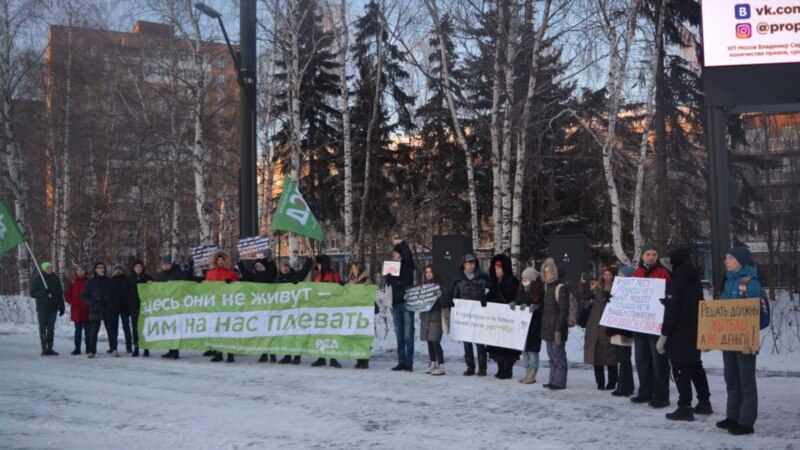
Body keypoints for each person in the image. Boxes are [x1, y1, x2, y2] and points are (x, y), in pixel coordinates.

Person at [658, 247, 712, 422]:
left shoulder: (677, 279)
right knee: (695, 365)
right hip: (694, 328)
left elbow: (674, 311)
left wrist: (664, 335)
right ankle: (704, 401)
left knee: (680, 368)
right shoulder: (693, 277)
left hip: (679, 332)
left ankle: (684, 406)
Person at [716, 247, 761, 435]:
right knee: (731, 379)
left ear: (741, 261)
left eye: (730, 258)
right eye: (726, 258)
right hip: (729, 340)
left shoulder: (750, 283)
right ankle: (733, 416)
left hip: (745, 342)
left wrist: (751, 339)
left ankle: (746, 422)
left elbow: (754, 314)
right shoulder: (727, 281)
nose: (726, 261)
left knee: (746, 382)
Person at [630, 243, 672, 408]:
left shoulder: (664, 273)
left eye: (654, 254)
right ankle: (645, 391)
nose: (651, 257)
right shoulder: (637, 273)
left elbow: (670, 295)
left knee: (658, 360)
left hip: (656, 324)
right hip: (640, 324)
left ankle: (661, 395)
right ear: (642, 256)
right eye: (648, 254)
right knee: (641, 359)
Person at [447, 253, 491, 376]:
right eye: (470, 263)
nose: (472, 265)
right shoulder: (459, 280)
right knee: (467, 343)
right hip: (465, 318)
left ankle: (482, 368)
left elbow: (492, 292)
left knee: (480, 343)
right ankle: (470, 367)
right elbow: (454, 297)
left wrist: (485, 299)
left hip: (479, 316)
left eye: (474, 263)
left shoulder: (482, 278)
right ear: (464, 264)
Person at [582, 269, 619, 391]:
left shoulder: (617, 288)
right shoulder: (598, 287)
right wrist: (583, 284)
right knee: (596, 356)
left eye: (610, 274)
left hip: (609, 325)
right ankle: (600, 381)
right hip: (595, 325)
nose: (607, 277)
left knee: (610, 355)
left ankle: (612, 381)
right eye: (605, 274)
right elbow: (586, 295)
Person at [238, 252, 279, 363]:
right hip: (259, 309)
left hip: (270, 308)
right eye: (256, 267)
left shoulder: (270, 276)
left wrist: (270, 261)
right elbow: (246, 275)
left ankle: (273, 354)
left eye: (261, 266)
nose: (259, 268)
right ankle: (264, 354)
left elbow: (274, 272)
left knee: (270, 332)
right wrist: (240, 263)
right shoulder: (254, 277)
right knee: (262, 332)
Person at [486, 254, 521, 380]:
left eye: (499, 269)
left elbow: (515, 297)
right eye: (495, 269)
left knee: (508, 346)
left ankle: (508, 369)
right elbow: (490, 295)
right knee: (497, 345)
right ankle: (501, 369)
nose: (496, 271)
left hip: (508, 321)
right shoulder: (495, 283)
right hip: (497, 319)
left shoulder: (511, 281)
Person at [275, 255, 314, 365]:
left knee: (297, 334)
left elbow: (305, 270)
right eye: (283, 267)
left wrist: (309, 260)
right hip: (285, 312)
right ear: (280, 268)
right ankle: (287, 356)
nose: (285, 269)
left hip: (297, 311)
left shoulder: (296, 276)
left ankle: (297, 356)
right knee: (286, 334)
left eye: (286, 266)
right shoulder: (278, 280)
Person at [386, 239, 415, 372]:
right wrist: (388, 277)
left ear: (401, 254)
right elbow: (388, 283)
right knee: (399, 334)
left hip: (407, 303)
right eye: (393, 253)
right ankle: (401, 360)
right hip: (396, 303)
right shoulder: (392, 266)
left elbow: (408, 255)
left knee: (409, 334)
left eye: (396, 253)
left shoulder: (407, 265)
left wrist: (402, 242)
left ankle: (409, 362)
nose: (394, 255)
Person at [540, 257, 569, 390]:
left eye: (549, 272)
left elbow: (563, 311)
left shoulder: (561, 288)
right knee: (551, 357)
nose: (547, 275)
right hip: (548, 328)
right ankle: (553, 380)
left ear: (555, 273)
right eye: (545, 272)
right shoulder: (547, 288)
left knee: (558, 356)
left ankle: (559, 382)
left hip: (557, 329)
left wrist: (558, 329)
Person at [607, 265, 636, 397]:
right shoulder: (618, 290)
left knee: (624, 360)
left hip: (624, 330)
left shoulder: (631, 292)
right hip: (617, 328)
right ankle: (625, 385)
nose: (619, 277)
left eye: (622, 275)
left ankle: (624, 387)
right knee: (623, 359)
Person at [205, 249, 239, 363]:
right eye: (218, 260)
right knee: (216, 329)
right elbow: (207, 289)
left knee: (229, 329)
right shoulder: (210, 273)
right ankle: (218, 353)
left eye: (222, 260)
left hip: (228, 304)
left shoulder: (231, 273)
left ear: (225, 261)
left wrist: (231, 284)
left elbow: (237, 287)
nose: (220, 262)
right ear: (215, 261)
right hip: (215, 304)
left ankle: (230, 354)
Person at [311, 254, 343, 368]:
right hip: (320, 309)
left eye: (319, 263)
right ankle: (321, 357)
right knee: (320, 333)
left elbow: (340, 290)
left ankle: (333, 358)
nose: (317, 266)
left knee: (332, 334)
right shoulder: (318, 276)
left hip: (331, 309)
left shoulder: (334, 275)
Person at [156, 255, 189, 359]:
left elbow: (185, 285)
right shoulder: (160, 275)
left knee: (176, 328)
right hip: (166, 306)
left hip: (177, 305)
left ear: (171, 264)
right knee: (169, 328)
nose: (165, 266)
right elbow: (157, 289)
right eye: (164, 264)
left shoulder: (178, 273)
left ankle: (175, 351)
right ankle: (171, 349)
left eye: (167, 264)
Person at [29, 262, 65, 356]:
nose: (50, 269)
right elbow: (32, 293)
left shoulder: (55, 279)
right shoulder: (38, 279)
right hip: (42, 308)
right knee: (42, 328)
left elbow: (60, 294)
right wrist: (43, 292)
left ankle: (50, 348)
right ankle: (44, 348)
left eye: (51, 267)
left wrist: (62, 306)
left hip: (53, 308)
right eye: (48, 268)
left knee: (51, 329)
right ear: (44, 269)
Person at [515, 266, 543, 384]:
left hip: (534, 325)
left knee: (532, 351)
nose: (524, 280)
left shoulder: (539, 291)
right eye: (523, 278)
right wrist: (516, 305)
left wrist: (535, 307)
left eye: (526, 278)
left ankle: (532, 373)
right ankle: (527, 372)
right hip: (523, 325)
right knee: (524, 351)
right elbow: (517, 301)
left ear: (532, 279)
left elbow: (543, 306)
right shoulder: (521, 289)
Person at [81, 262, 116, 358]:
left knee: (111, 331)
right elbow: (84, 296)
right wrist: (92, 303)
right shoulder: (90, 282)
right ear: (95, 270)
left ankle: (113, 349)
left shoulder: (109, 281)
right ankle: (92, 351)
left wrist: (112, 304)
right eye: (99, 267)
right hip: (95, 309)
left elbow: (115, 295)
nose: (102, 269)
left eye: (103, 267)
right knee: (93, 331)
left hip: (108, 309)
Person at [420, 264, 449, 376]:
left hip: (436, 316)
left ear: (434, 273)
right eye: (426, 272)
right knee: (429, 341)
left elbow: (446, 301)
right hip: (426, 316)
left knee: (435, 341)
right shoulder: (423, 286)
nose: (428, 274)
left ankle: (441, 365)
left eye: (430, 272)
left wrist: (438, 298)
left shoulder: (441, 286)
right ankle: (432, 363)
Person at [349, 262, 373, 369]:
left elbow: (368, 292)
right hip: (355, 311)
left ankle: (365, 360)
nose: (354, 271)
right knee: (356, 336)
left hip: (365, 312)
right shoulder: (351, 280)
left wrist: (357, 286)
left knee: (364, 336)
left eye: (356, 269)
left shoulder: (367, 280)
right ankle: (359, 359)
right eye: (353, 269)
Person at [128, 260, 153, 357]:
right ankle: (136, 347)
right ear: (134, 268)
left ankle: (146, 348)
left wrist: (151, 284)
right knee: (135, 328)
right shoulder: (129, 278)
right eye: (136, 266)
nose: (138, 268)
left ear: (142, 268)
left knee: (146, 327)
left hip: (146, 307)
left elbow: (154, 291)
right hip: (134, 306)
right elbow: (125, 292)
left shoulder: (148, 278)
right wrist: (130, 302)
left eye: (140, 266)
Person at [64, 267, 90, 355]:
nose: (80, 272)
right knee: (78, 331)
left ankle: (89, 348)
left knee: (88, 331)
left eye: (82, 270)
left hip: (87, 310)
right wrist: (72, 301)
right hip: (76, 311)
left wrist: (91, 303)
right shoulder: (73, 283)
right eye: (78, 270)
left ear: (85, 271)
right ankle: (77, 348)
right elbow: (67, 295)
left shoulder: (89, 282)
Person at [110, 265, 133, 354]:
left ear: (123, 271)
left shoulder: (127, 280)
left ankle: (129, 347)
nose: (118, 271)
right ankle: (113, 347)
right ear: (114, 271)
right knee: (114, 329)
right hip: (114, 308)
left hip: (124, 308)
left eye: (120, 270)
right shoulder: (111, 281)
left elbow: (130, 292)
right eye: (117, 270)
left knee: (126, 327)